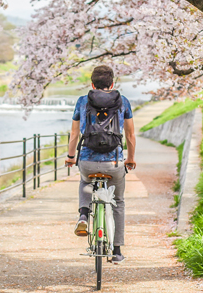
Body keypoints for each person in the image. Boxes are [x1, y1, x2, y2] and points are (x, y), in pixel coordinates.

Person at [65, 65, 136, 264]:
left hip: (87, 161)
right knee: (118, 201)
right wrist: (130, 158)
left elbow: (74, 134)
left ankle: (83, 216)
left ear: (92, 84)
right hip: (114, 162)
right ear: (112, 84)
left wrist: (71, 157)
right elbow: (130, 135)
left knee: (85, 181)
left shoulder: (82, 101)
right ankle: (117, 250)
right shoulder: (123, 102)